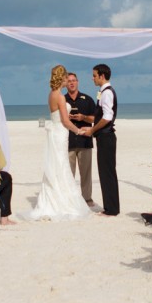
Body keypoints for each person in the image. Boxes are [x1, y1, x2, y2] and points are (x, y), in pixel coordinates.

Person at [22, 65, 92, 221]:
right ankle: (62, 202)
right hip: (60, 132)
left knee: (58, 165)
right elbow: (65, 121)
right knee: (61, 165)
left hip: (55, 132)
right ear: (62, 78)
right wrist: (78, 130)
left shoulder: (51, 94)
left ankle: (54, 197)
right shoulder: (60, 97)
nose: (68, 81)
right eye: (67, 78)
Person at [82, 63, 119, 216]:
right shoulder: (103, 92)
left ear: (102, 76)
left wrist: (92, 129)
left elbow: (107, 117)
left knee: (107, 172)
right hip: (103, 136)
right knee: (106, 172)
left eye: (94, 75)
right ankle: (110, 207)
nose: (92, 78)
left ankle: (111, 209)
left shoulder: (107, 93)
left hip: (106, 136)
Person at [65, 71, 97, 206]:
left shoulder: (87, 99)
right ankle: (70, 199)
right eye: (69, 80)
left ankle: (87, 198)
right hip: (68, 141)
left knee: (86, 173)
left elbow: (96, 118)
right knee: (68, 174)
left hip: (85, 141)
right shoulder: (62, 99)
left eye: (74, 80)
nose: (72, 83)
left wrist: (83, 117)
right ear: (65, 83)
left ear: (77, 82)